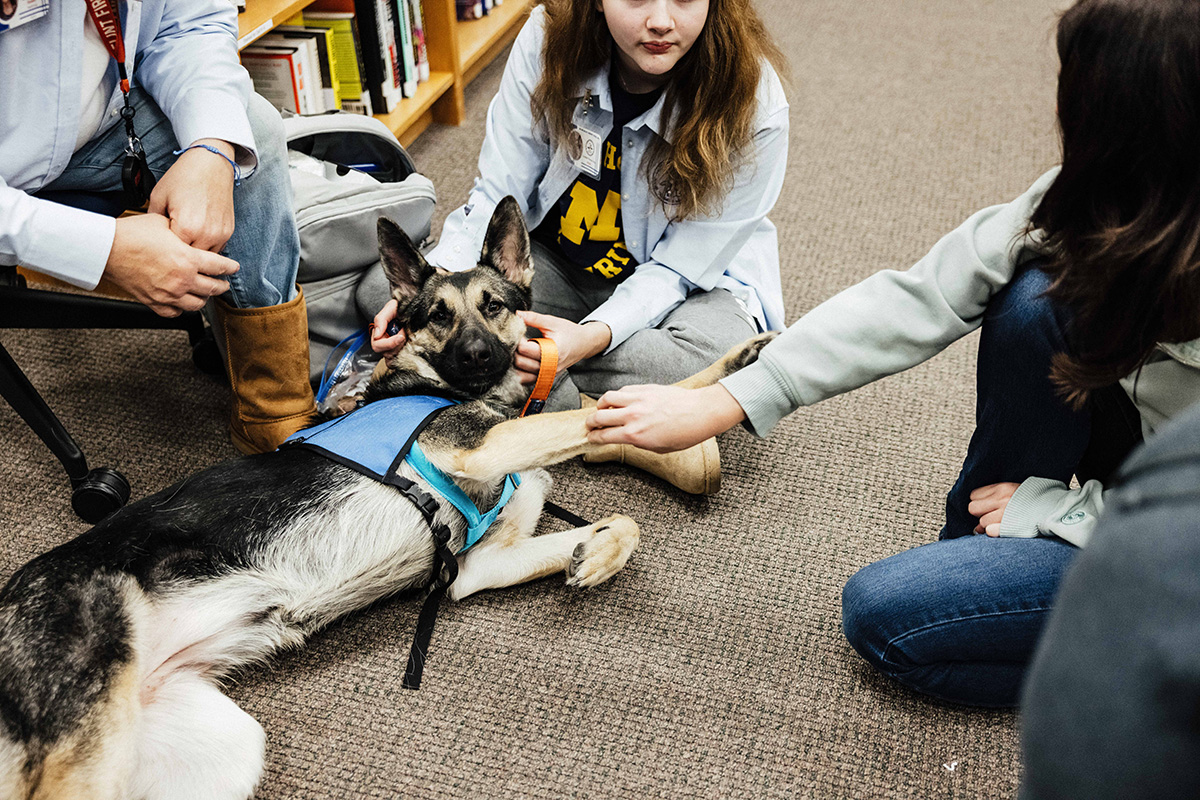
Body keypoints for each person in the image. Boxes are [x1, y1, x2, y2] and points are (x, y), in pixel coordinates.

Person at [585, 0, 1200, 706]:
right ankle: (986, 557)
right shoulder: (1114, 195)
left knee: (886, 620)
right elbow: (924, 293)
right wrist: (726, 401)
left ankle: (1156, 667)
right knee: (1035, 297)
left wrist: (1062, 515)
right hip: (1155, 449)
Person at [370, 0, 790, 494]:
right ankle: (623, 430)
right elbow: (498, 192)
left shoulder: (754, 100)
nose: (660, 20)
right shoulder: (548, 37)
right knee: (379, 300)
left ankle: (550, 400)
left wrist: (583, 340)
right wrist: (428, 297)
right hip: (550, 266)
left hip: (688, 287)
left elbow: (678, 270)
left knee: (721, 355)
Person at [0, 0, 315, 454]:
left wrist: (212, 145)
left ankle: (273, 414)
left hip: (87, 133)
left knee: (252, 123)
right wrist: (102, 249)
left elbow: (192, 23)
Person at [1019, 399, 1200, 800]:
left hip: (1145, 530)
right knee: (1029, 332)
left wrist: (1063, 509)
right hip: (1131, 496)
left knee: (886, 619)